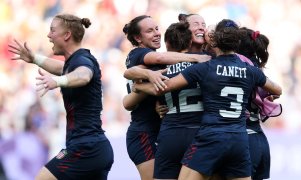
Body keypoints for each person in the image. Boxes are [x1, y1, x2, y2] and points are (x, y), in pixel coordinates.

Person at [134, 19, 282, 180]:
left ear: (214, 42)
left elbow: (165, 86)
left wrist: (139, 87)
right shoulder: (250, 71)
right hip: (239, 140)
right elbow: (277, 89)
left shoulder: (205, 67)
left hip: (211, 137)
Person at [8, 14, 113, 180]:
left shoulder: (82, 61)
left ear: (67, 35)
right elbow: (62, 68)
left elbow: (83, 75)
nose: (48, 35)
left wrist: (58, 81)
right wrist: (34, 58)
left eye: (52, 30)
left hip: (85, 149)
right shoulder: (75, 61)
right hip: (95, 148)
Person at [122, 15, 211, 180]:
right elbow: (127, 101)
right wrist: (198, 58)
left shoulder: (166, 62)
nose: (156, 34)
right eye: (150, 31)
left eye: (157, 29)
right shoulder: (140, 54)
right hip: (144, 132)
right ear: (137, 38)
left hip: (164, 131)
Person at [238, 27, 282, 180]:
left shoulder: (236, 69)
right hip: (260, 140)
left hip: (243, 140)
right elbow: (277, 90)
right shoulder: (257, 71)